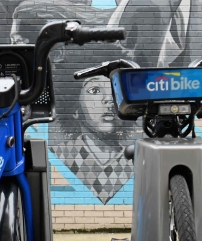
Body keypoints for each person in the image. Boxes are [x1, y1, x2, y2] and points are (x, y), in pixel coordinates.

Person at [50, 46, 138, 203]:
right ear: (74, 108)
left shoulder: (135, 160)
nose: (109, 99)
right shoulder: (61, 155)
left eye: (114, 89)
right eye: (95, 90)